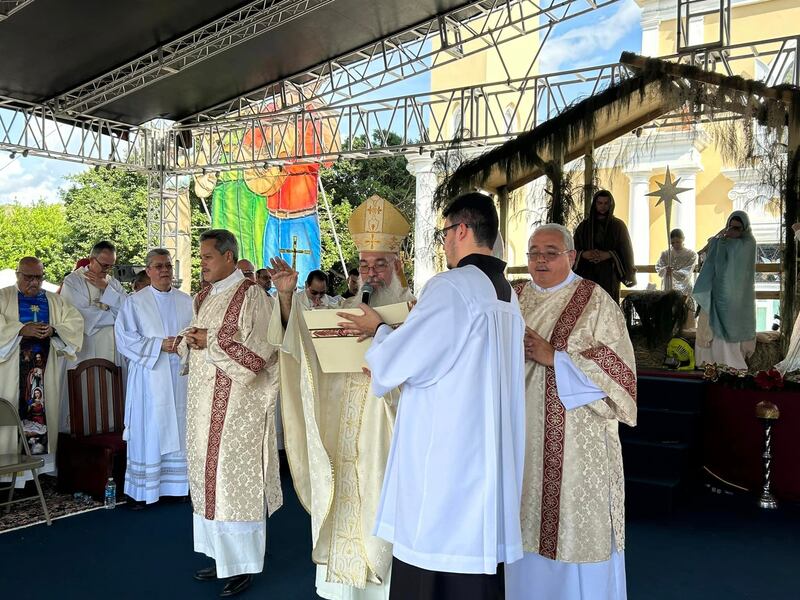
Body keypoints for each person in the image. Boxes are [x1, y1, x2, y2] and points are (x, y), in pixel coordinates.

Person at [338, 192, 526, 600]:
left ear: (461, 229)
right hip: (486, 459)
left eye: (444, 234)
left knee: (432, 563)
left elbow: (406, 358)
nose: (443, 244)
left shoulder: (452, 285)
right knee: (475, 568)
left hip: (448, 461)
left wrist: (379, 332)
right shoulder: (506, 295)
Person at [270, 195, 414, 600]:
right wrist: (286, 296)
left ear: (398, 264)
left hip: (387, 431)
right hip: (342, 429)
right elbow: (302, 349)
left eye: (379, 264)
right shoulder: (343, 308)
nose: (370, 273)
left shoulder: (419, 311)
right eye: (363, 265)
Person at [506, 224, 637, 600]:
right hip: (522, 440)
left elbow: (621, 376)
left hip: (579, 449)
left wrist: (556, 358)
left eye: (550, 252)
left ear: (571, 257)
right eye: (533, 252)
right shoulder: (511, 298)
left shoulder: (595, 302)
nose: (541, 260)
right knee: (522, 529)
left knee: (577, 534)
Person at [178, 229, 282, 597]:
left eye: (207, 256)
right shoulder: (204, 295)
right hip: (204, 405)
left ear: (228, 257)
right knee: (207, 478)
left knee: (232, 481)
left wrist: (212, 342)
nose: (201, 263)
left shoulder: (252, 295)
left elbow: (263, 351)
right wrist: (188, 340)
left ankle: (243, 565)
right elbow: (200, 338)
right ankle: (220, 555)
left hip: (239, 407)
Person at [114, 249, 193, 508]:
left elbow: (197, 333)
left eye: (168, 266)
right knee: (149, 429)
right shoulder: (135, 302)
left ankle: (177, 486)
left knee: (180, 426)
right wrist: (160, 345)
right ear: (147, 271)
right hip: (149, 376)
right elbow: (125, 338)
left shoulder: (186, 301)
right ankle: (143, 490)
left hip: (180, 376)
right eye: (158, 266)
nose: (165, 271)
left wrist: (184, 343)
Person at [0, 257, 83, 457]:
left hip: (44, 368)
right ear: (17, 275)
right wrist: (20, 330)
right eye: (28, 277)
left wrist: (54, 330)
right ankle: (10, 473)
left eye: (38, 277)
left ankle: (37, 471)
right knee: (12, 413)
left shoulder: (53, 300)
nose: (34, 282)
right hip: (13, 369)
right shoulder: (4, 297)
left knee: (41, 412)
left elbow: (75, 322)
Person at [59, 241, 127, 431]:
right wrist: (115, 316)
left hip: (112, 349)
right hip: (85, 348)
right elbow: (80, 315)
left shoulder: (112, 283)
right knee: (87, 394)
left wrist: (107, 289)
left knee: (109, 396)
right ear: (91, 259)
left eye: (111, 266)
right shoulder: (73, 281)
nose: (107, 270)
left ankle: (110, 428)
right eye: (104, 265)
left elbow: (129, 310)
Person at [693, 211, 756, 370]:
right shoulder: (721, 241)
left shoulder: (748, 242)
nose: (733, 230)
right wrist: (718, 238)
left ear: (744, 228)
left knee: (729, 333)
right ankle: (707, 365)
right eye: (731, 226)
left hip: (734, 297)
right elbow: (702, 254)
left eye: (737, 228)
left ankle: (730, 365)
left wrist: (723, 243)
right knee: (709, 329)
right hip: (715, 292)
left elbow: (739, 266)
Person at [573, 190, 636, 303]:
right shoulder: (584, 226)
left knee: (607, 306)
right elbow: (573, 249)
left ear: (611, 204)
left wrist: (609, 254)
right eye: (600, 203)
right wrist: (583, 254)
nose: (603, 206)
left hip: (609, 275)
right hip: (587, 273)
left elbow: (626, 250)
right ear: (595, 204)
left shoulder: (618, 226)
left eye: (606, 203)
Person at [655, 229, 697, 295]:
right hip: (668, 286)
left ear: (683, 239)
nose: (675, 245)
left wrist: (673, 272)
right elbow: (659, 268)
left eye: (678, 242)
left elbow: (687, 271)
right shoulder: (665, 254)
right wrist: (665, 269)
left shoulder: (691, 254)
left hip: (685, 288)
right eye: (672, 243)